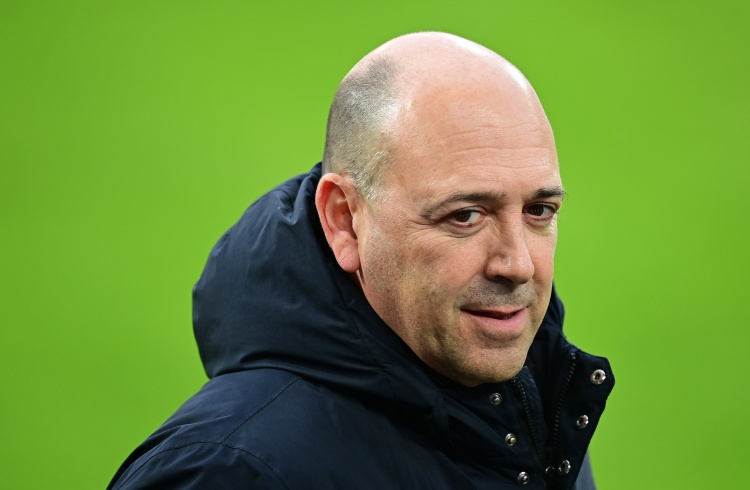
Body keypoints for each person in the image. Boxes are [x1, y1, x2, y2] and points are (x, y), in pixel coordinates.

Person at [108, 32, 614, 489]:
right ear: (345, 221)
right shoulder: (228, 472)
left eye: (539, 210)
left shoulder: (533, 413)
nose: (519, 265)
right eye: (465, 216)